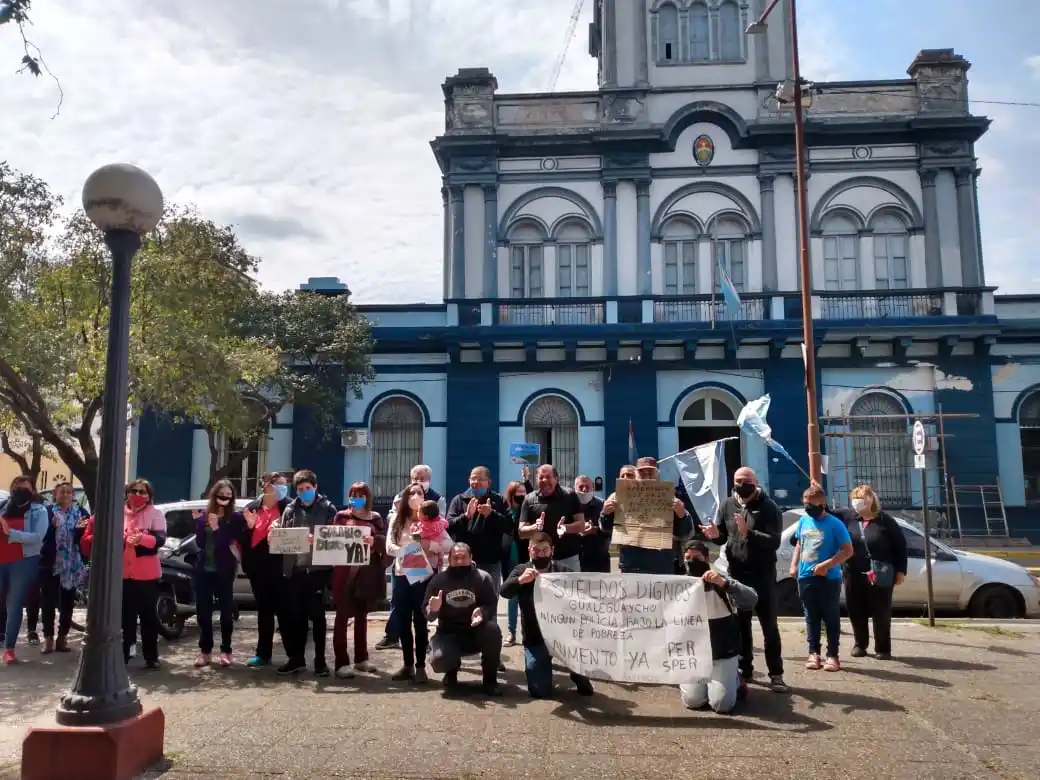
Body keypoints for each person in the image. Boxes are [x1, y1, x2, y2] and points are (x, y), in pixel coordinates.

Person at [698, 466, 788, 693]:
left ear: (756, 482)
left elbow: (774, 542)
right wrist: (714, 535)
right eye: (738, 480)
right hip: (737, 574)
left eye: (747, 480)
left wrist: (750, 533)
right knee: (741, 625)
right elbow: (723, 537)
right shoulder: (728, 505)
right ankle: (744, 669)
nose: (742, 484)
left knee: (769, 626)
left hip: (762, 574)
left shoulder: (769, 507)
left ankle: (776, 674)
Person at [500, 531, 594, 698]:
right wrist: (520, 581)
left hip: (563, 637)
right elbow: (504, 592)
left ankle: (577, 672)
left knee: (586, 688)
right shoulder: (521, 570)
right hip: (535, 638)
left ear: (552, 550)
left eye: (545, 550)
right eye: (536, 550)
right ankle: (543, 667)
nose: (541, 554)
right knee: (539, 691)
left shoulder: (563, 572)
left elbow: (582, 598)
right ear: (529, 550)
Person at [679, 541, 759, 713]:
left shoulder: (719, 579)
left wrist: (724, 584)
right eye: (688, 558)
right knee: (693, 701)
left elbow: (752, 599)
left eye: (697, 558)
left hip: (722, 652)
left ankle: (735, 678)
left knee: (721, 705)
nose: (692, 561)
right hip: (694, 653)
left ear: (707, 558)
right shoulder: (679, 582)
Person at [273, 469, 337, 677]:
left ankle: (320, 662)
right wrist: (274, 536)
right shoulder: (290, 510)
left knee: (318, 618)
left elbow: (335, 540)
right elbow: (283, 537)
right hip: (295, 571)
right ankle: (297, 660)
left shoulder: (328, 509)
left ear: (315, 487)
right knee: (296, 618)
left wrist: (316, 540)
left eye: (308, 488)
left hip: (318, 571)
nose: (304, 492)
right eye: (300, 490)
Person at [375, 464, 445, 651]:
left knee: (421, 610)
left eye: (422, 478)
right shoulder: (400, 500)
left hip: (426, 568)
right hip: (403, 568)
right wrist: (406, 552)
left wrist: (428, 544)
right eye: (414, 477)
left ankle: (423, 648)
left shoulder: (437, 500)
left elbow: (445, 538)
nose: (417, 482)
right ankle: (393, 637)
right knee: (400, 606)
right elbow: (390, 538)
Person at [386, 485, 450, 682]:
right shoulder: (397, 519)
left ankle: (420, 666)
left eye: (420, 493)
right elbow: (389, 546)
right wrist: (406, 552)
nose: (415, 496)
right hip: (403, 575)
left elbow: (448, 545)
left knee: (421, 622)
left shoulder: (434, 522)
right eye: (411, 493)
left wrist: (428, 545)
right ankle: (407, 666)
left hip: (424, 578)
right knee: (403, 621)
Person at [836, 484, 908, 660]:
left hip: (880, 574)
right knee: (855, 610)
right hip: (853, 573)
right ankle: (860, 644)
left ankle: (883, 648)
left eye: (861, 499)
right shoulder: (848, 518)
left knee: (881, 612)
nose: (857, 503)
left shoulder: (885, 520)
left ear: (871, 500)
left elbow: (900, 546)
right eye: (855, 499)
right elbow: (825, 512)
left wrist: (900, 571)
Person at [790, 484, 854, 672]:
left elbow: (848, 551)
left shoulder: (835, 524)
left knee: (830, 616)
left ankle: (832, 655)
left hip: (829, 578)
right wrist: (794, 565)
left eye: (812, 504)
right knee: (811, 616)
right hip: (805, 576)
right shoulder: (804, 521)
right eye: (805, 504)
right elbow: (800, 544)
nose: (808, 508)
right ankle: (813, 652)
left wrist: (827, 565)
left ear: (822, 503)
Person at [424, 542, 502, 696]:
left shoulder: (483, 578)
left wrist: (483, 612)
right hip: (448, 633)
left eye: (463, 557)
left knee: (493, 631)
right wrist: (433, 608)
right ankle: (451, 672)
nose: (459, 561)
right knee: (439, 660)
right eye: (455, 558)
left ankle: (490, 681)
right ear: (450, 559)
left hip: (475, 631)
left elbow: (491, 604)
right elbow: (427, 613)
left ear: (471, 558)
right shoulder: (439, 580)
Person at [330, 481, 384, 678]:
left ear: (367, 497)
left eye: (361, 495)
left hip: (365, 574)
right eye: (354, 494)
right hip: (343, 573)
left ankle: (361, 659)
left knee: (362, 617)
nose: (357, 498)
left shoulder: (375, 518)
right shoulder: (341, 516)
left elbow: (384, 541)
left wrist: (374, 541)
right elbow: (332, 540)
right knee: (342, 617)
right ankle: (341, 663)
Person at [602, 458, 692, 575]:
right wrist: (606, 514)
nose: (646, 476)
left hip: (662, 565)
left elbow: (685, 534)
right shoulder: (619, 497)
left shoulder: (670, 498)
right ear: (636, 475)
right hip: (631, 565)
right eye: (642, 473)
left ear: (657, 475)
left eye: (650, 472)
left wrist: (682, 516)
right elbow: (607, 529)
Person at [240, 472, 290, 667]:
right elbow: (241, 539)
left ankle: (293, 656)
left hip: (281, 568)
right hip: (258, 569)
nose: (282, 487)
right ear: (266, 486)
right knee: (264, 612)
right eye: (279, 484)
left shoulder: (289, 506)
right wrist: (250, 527)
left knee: (286, 612)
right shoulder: (252, 508)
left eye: (284, 484)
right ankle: (263, 654)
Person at [193, 480, 244, 668]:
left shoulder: (235, 518)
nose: (225, 497)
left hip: (224, 569)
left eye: (228, 494)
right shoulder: (204, 516)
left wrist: (216, 529)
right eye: (221, 493)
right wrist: (200, 524)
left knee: (226, 612)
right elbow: (199, 543)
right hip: (204, 570)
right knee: (203, 612)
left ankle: (226, 650)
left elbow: (228, 543)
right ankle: (205, 651)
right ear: (214, 495)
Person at [445, 466, 512, 606]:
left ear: (489, 482)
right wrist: (466, 516)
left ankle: (489, 627)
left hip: (491, 561)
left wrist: (491, 514)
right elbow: (448, 525)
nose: (476, 482)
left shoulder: (499, 500)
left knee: (489, 602)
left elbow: (509, 526)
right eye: (473, 479)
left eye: (480, 479)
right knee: (464, 603)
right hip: (464, 561)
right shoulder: (459, 500)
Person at [0, 476, 48, 664]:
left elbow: (38, 537)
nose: (20, 489)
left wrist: (9, 533)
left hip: (23, 561)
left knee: (14, 603)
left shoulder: (39, 510)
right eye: (17, 486)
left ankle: (9, 649)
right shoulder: (3, 506)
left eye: (25, 486)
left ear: (33, 490)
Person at [121, 478, 167, 669]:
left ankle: (151, 656)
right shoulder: (119, 512)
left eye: (143, 492)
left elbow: (160, 540)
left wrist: (142, 538)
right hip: (124, 574)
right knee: (126, 619)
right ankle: (126, 654)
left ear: (149, 496)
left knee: (149, 618)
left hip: (147, 575)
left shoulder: (155, 513)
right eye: (135, 491)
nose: (138, 495)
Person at [39, 482, 89, 654]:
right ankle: (48, 639)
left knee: (67, 602)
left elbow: (85, 538)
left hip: (72, 564)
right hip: (51, 562)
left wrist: (80, 531)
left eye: (69, 492)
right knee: (48, 601)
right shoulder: (46, 512)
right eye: (62, 492)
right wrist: (51, 527)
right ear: (55, 494)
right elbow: (40, 537)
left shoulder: (81, 513)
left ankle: (62, 638)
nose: (66, 495)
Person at [517, 464, 586, 572]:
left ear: (556, 478)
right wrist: (535, 527)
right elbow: (521, 532)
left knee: (569, 589)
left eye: (548, 477)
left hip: (567, 558)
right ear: (536, 479)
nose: (544, 480)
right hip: (539, 559)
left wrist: (565, 528)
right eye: (541, 477)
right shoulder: (529, 500)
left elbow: (581, 525)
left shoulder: (570, 495)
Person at [501, 480, 528, 646]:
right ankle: (511, 631)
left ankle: (527, 632)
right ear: (511, 493)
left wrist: (526, 479)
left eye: (524, 492)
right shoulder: (504, 510)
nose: (522, 495)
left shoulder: (526, 509)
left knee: (527, 597)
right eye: (519, 492)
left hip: (524, 556)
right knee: (512, 596)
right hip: (508, 557)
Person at [575, 475, 609, 574]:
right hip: (575, 558)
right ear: (575, 488)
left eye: (587, 486)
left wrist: (594, 530)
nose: (584, 489)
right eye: (581, 487)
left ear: (593, 488)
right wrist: (578, 528)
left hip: (598, 559)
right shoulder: (569, 505)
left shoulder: (602, 505)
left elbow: (611, 530)